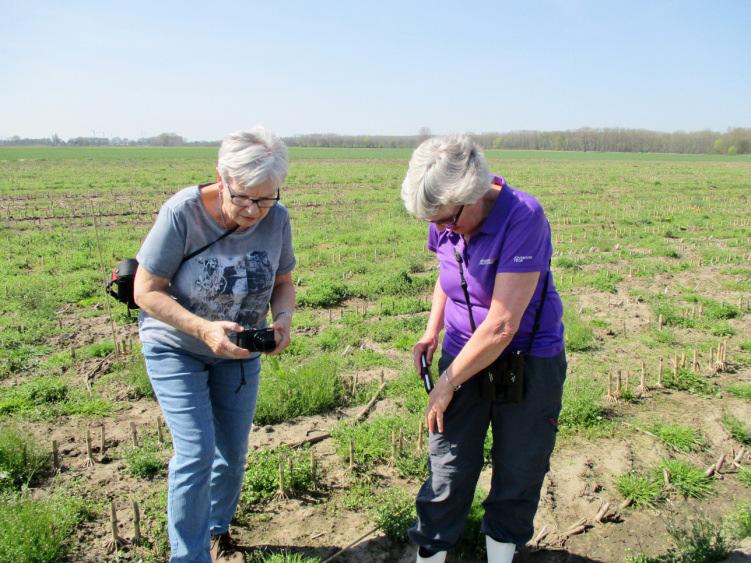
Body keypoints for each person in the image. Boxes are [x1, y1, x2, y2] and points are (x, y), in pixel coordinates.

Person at [400, 135, 566, 563]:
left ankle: (500, 554)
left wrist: (447, 383)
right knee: (448, 463)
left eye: (448, 220)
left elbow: (502, 325)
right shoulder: (446, 220)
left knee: (520, 464)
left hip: (527, 359)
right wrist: (430, 331)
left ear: (472, 194)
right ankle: (432, 552)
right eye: (433, 222)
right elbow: (446, 275)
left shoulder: (524, 217)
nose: (441, 230)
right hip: (461, 351)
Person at [133, 127, 295, 563]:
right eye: (242, 197)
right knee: (196, 452)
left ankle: (217, 527)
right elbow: (145, 291)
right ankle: (188, 556)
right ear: (220, 178)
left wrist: (282, 319)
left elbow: (283, 283)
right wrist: (203, 329)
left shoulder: (277, 218)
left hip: (240, 350)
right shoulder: (182, 213)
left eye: (264, 199)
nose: (253, 211)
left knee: (232, 452)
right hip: (177, 345)